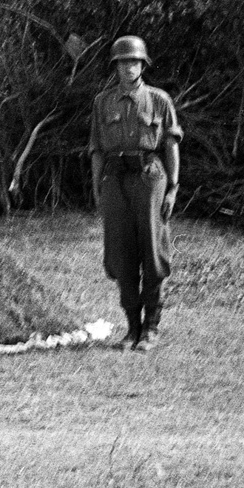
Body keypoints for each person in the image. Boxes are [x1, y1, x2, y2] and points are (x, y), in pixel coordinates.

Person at [88, 35, 181, 351]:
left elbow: (170, 145)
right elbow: (97, 149)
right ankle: (132, 327)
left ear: (143, 65)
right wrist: (97, 189)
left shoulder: (159, 100)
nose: (130, 67)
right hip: (114, 178)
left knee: (152, 250)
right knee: (120, 251)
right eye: (124, 62)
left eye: (135, 62)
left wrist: (172, 189)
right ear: (116, 66)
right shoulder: (102, 102)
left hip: (149, 176)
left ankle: (151, 328)